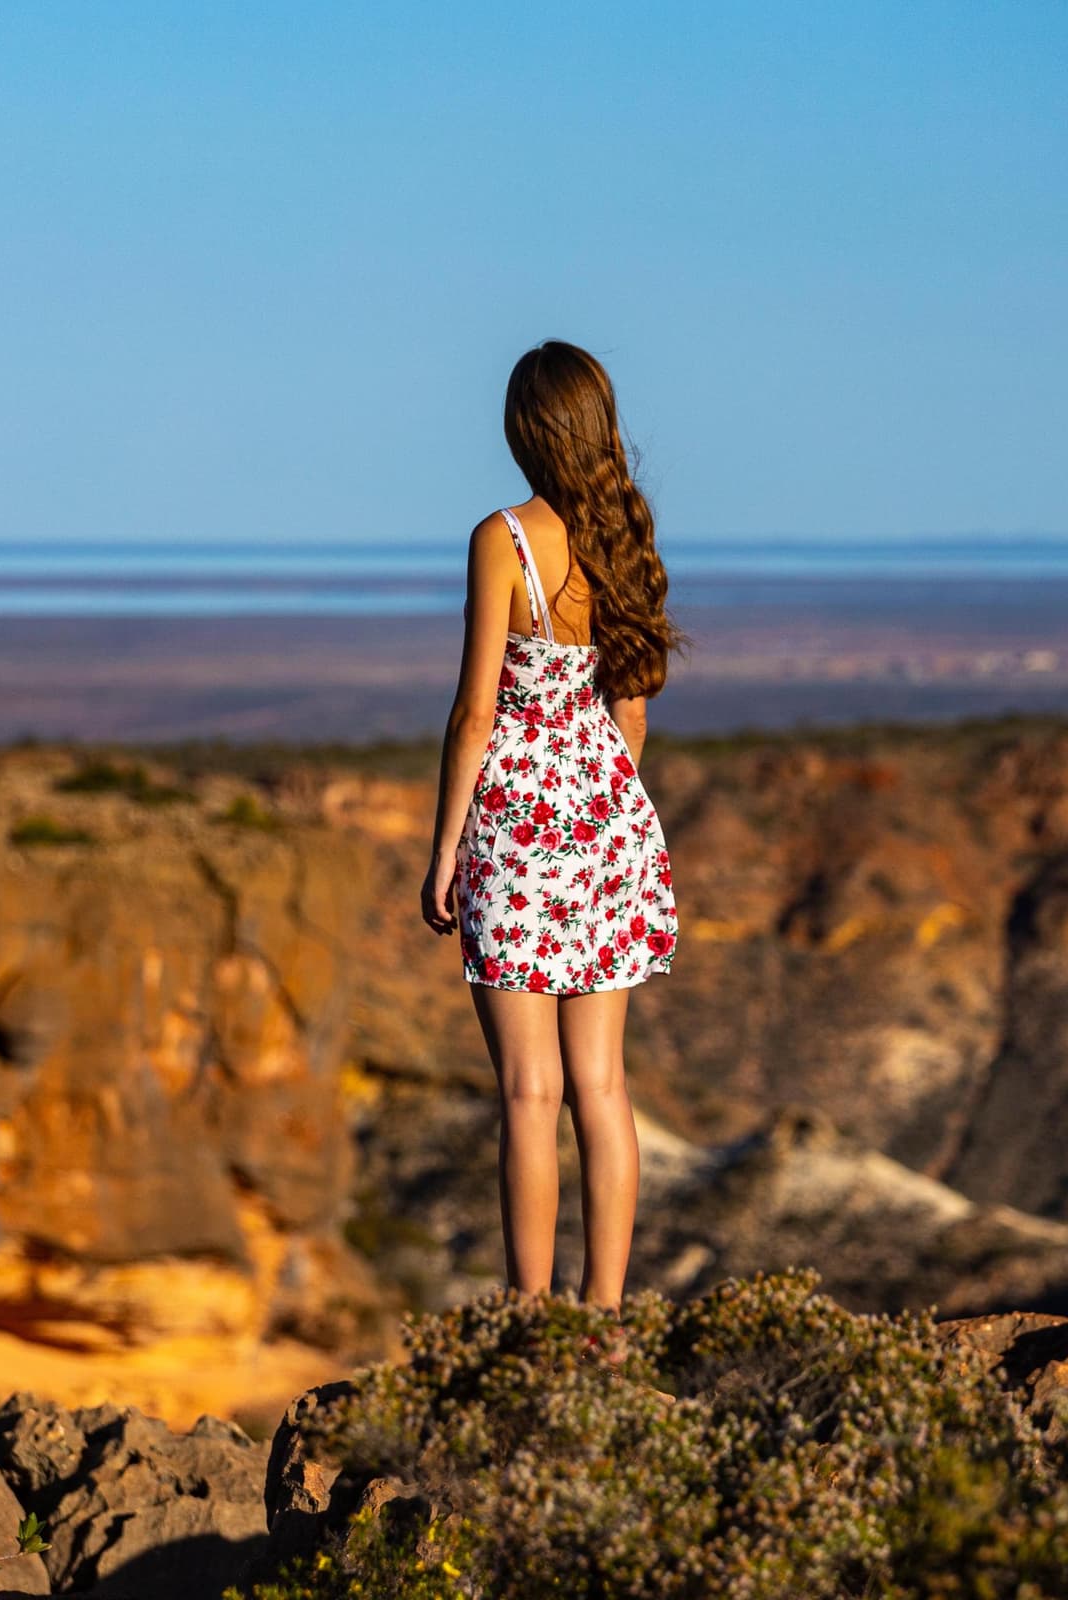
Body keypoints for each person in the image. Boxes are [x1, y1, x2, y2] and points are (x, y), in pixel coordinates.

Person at [420, 339, 683, 1333]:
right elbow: (633, 715)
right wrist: (601, 810)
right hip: (608, 821)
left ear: (523, 429)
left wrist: (443, 852)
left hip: (517, 831)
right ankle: (605, 1321)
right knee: (601, 1086)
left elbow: (472, 716)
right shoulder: (623, 536)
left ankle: (529, 1324)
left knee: (529, 1093)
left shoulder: (503, 539)